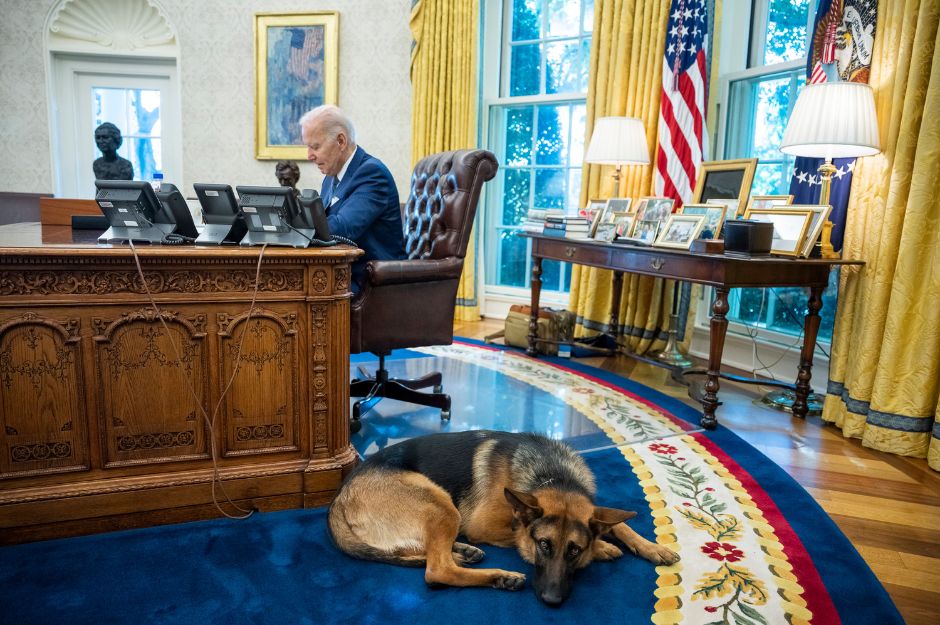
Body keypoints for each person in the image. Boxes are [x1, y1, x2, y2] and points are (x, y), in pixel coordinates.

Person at [300, 105, 405, 293]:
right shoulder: (330, 178)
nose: (309, 156)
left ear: (341, 141)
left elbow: (342, 230)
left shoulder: (372, 173)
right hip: (343, 274)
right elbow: (323, 225)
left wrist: (295, 224)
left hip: (371, 284)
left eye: (315, 146)